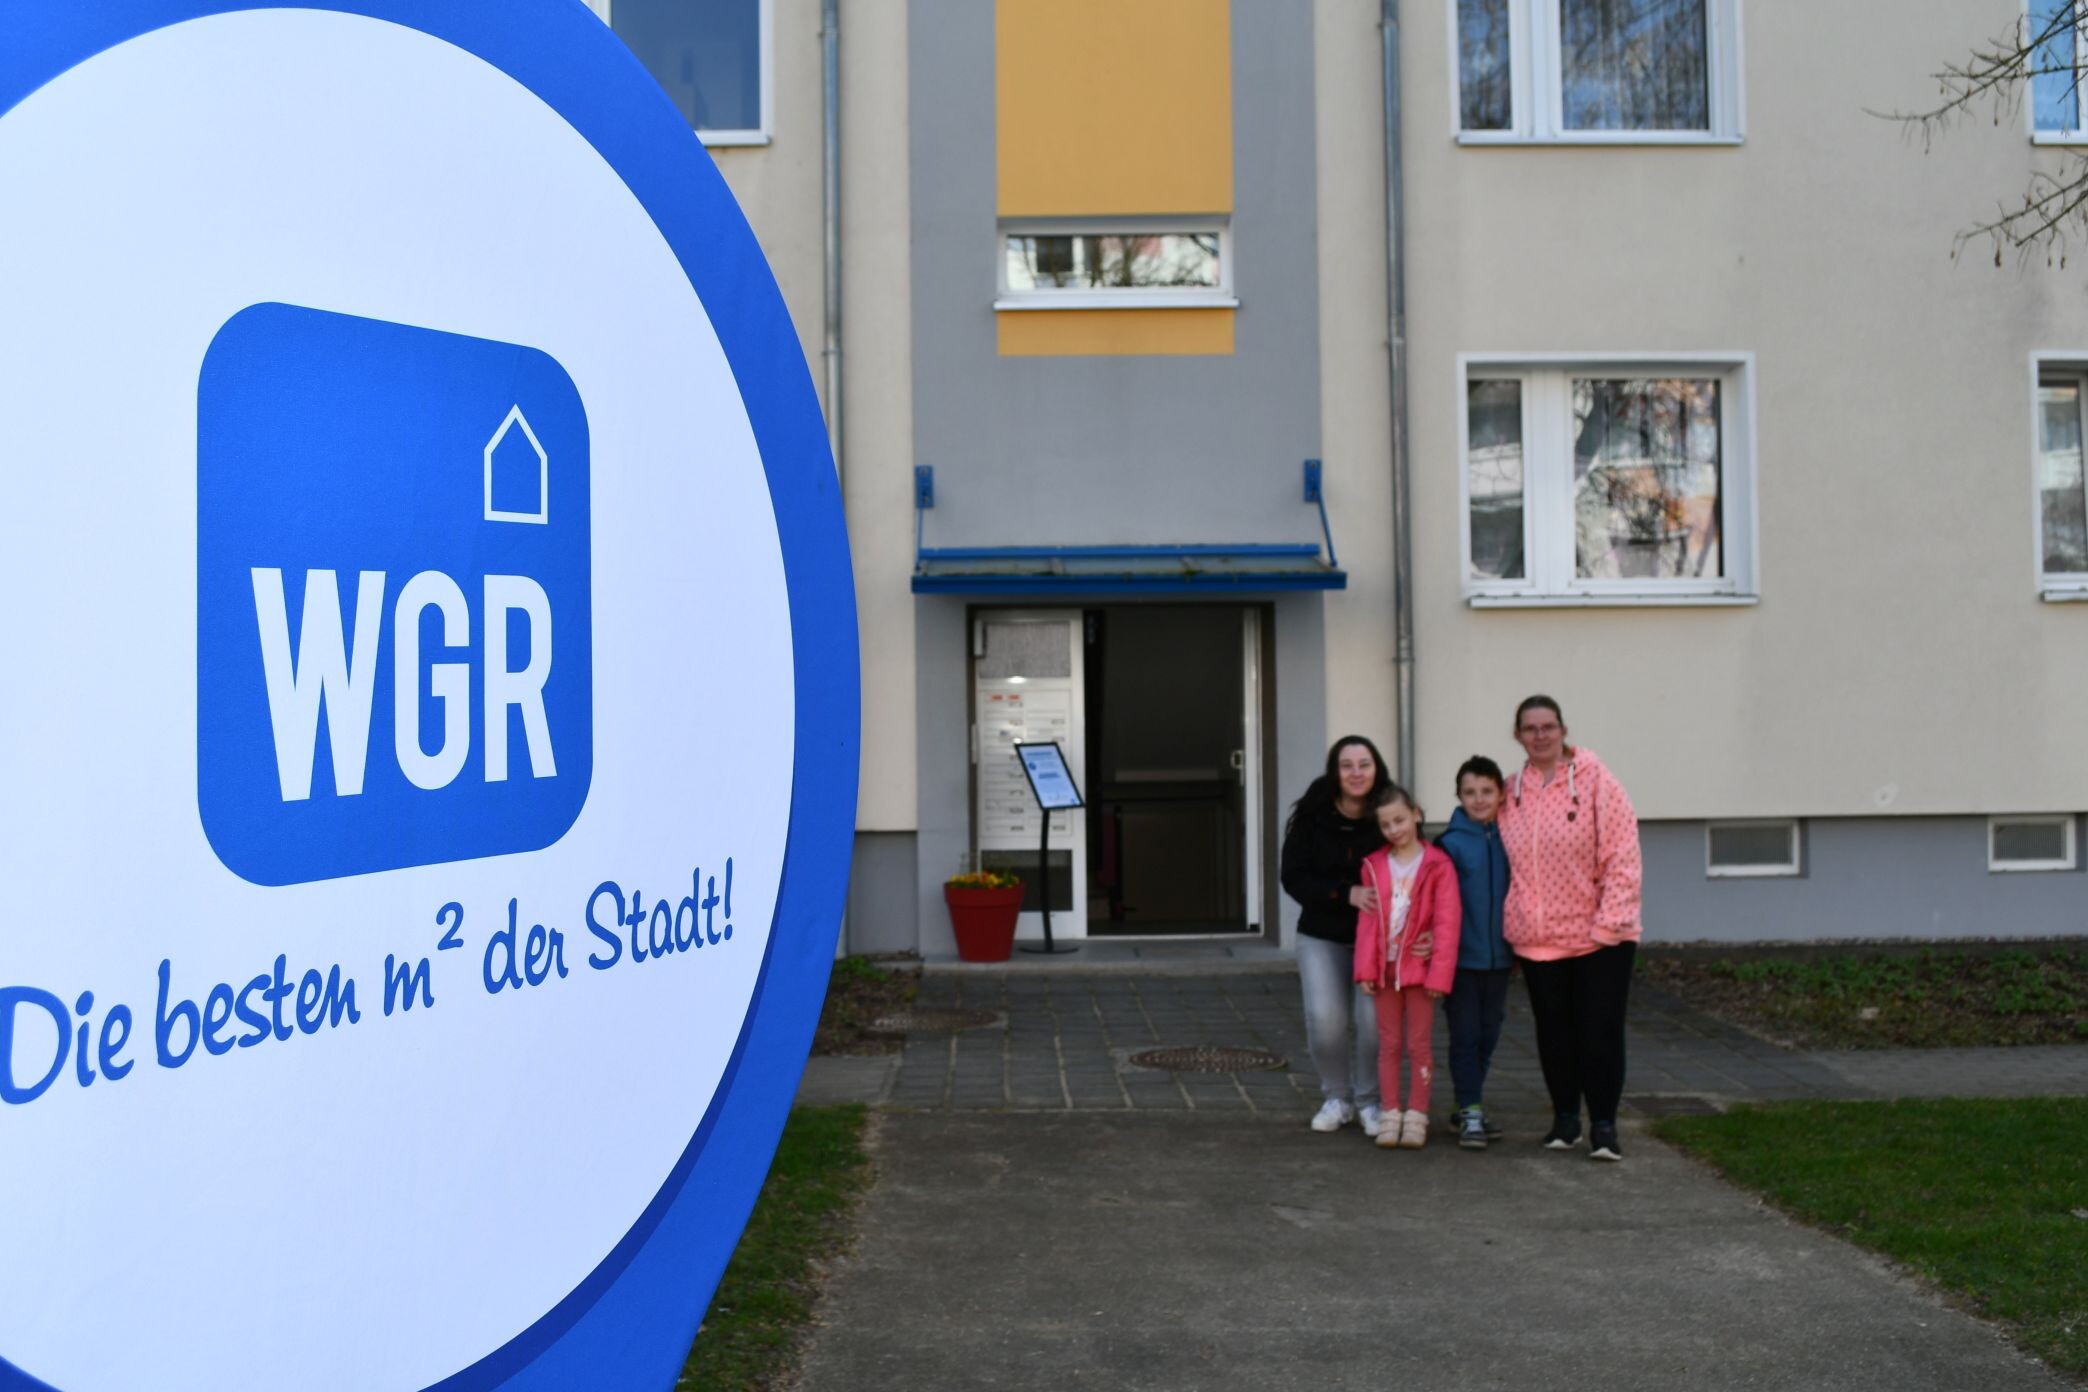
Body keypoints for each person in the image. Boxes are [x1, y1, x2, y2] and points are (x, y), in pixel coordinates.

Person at [1498, 695, 1643, 1162]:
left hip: (1599, 939)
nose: (1540, 735)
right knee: (1554, 1034)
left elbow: (1623, 855)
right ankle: (1565, 1120)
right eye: (1530, 728)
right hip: (1538, 939)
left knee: (1600, 1032)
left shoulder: (1598, 781)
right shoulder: (1510, 792)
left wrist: (1609, 925)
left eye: (1548, 726)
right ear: (1518, 735)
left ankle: (1603, 1126)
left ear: (1563, 730)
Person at [1280, 736, 1392, 1136]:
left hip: (1377, 939)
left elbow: (1415, 865)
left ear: (1376, 768)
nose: (1356, 773)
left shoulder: (1390, 811)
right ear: (1335, 771)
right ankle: (1337, 1098)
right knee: (1326, 1021)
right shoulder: (1313, 815)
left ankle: (1370, 1101)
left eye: (1364, 764)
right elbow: (1293, 877)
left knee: (1373, 1025)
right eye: (1347, 765)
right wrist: (1344, 894)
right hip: (1322, 935)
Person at [1353, 784, 1460, 1149]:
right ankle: (1390, 1113)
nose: (1394, 829)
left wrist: (1439, 975)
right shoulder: (1374, 866)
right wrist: (1365, 970)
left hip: (1420, 973)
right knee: (1388, 1045)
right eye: (1385, 825)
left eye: (1399, 820)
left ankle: (1416, 1114)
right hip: (1384, 974)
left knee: (1418, 1045)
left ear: (1416, 814)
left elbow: (1447, 922)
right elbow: (1368, 923)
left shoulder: (1438, 865)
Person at [1436, 755, 1512, 1151]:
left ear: (1501, 794)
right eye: (1470, 792)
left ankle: (1466, 1104)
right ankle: (1471, 1110)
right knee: (1465, 1035)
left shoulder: (1513, 838)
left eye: (1486, 791)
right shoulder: (1449, 845)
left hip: (1500, 959)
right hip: (1460, 961)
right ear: (1458, 796)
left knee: (1488, 1034)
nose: (1479, 799)